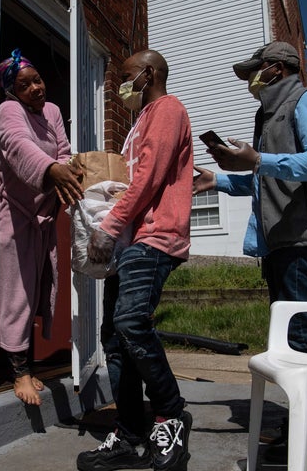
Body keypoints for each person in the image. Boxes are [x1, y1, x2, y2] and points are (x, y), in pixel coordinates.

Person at [193, 41, 307, 463]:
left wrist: (260, 158)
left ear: (275, 69)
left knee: (302, 342)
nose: (249, 81)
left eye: (253, 72)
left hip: (304, 244)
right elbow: (269, 179)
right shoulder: (269, 114)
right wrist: (219, 181)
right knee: (293, 344)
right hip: (282, 247)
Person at [76, 50, 194, 471]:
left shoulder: (167, 109)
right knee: (115, 340)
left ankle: (171, 415)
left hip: (155, 237)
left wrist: (109, 227)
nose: (120, 85)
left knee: (131, 324)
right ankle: (129, 434)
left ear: (149, 74)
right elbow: (134, 177)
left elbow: (150, 177)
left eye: (126, 76)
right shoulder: (140, 121)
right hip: (131, 241)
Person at [0, 49, 83, 406]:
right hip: (15, 217)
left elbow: (63, 150)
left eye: (38, 80)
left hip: (44, 216)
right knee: (18, 294)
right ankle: (18, 372)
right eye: (24, 85)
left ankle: (25, 363)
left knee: (38, 290)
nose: (35, 89)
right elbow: (17, 146)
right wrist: (51, 171)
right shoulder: (8, 111)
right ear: (12, 91)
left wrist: (65, 169)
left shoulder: (53, 112)